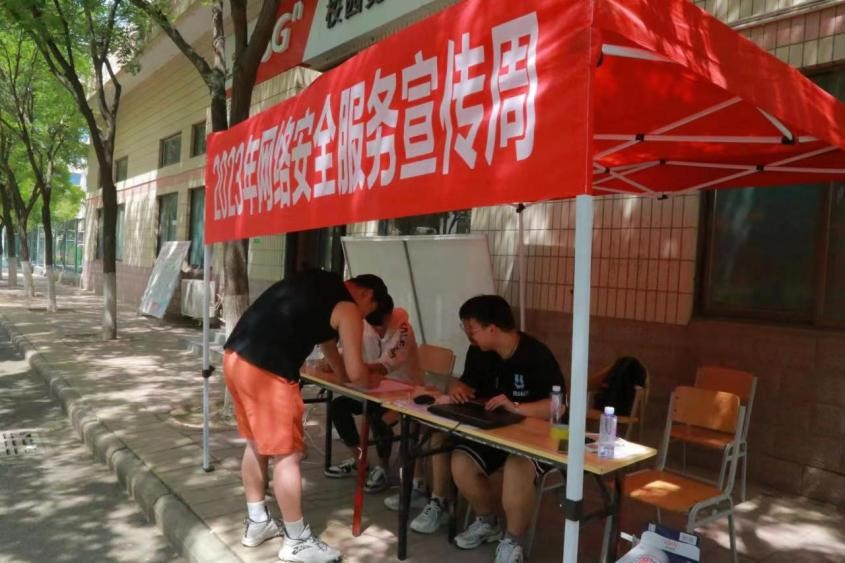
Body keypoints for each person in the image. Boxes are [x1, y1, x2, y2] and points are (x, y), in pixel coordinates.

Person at [222, 270, 389, 563]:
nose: (362, 319)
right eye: (367, 313)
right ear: (366, 295)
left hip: (236, 358)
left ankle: (258, 521)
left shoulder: (321, 286)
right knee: (288, 455)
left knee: (256, 444)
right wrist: (370, 380)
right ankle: (297, 540)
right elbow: (356, 372)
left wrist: (344, 376)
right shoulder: (348, 307)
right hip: (268, 370)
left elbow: (329, 348)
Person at [449, 295, 566, 563]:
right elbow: (467, 383)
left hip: (544, 435)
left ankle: (514, 541)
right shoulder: (478, 352)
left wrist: (516, 407)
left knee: (517, 466)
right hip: (498, 430)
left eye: (472, 328)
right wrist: (458, 389)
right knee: (461, 461)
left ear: (492, 328)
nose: (468, 334)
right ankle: (487, 521)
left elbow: (557, 407)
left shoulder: (536, 355)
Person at [324, 294, 422, 493]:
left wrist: (353, 367)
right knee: (338, 407)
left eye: (381, 325)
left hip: (404, 394)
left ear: (389, 315)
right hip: (372, 390)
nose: (377, 329)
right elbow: (349, 351)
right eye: (373, 325)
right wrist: (334, 361)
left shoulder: (404, 329)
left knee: (376, 415)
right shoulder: (362, 323)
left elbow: (385, 366)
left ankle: (383, 468)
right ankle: (360, 459)